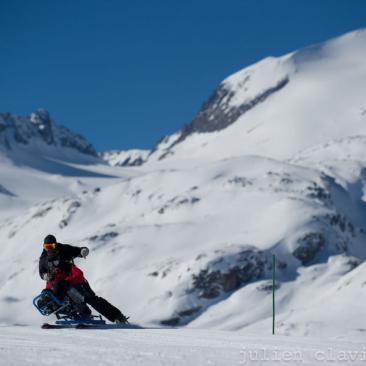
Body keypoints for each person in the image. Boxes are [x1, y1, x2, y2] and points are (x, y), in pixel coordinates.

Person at [39, 234, 128, 324]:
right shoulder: (43, 259)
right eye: (47, 247)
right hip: (59, 285)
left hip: (76, 281)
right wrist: (45, 277)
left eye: (52, 246)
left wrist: (82, 251)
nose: (49, 249)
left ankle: (118, 317)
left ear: (56, 245)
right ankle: (77, 314)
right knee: (54, 298)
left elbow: (77, 253)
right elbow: (42, 273)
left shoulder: (64, 250)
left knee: (90, 298)